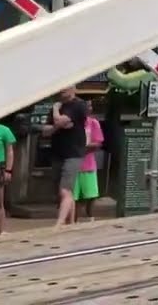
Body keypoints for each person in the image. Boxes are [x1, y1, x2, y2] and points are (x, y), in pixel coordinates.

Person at [43, 87, 87, 228]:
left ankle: (59, 224)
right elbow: (46, 131)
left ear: (74, 88)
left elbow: (60, 120)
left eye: (66, 87)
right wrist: (58, 125)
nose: (62, 90)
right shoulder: (59, 105)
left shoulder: (79, 105)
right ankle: (71, 223)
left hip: (74, 153)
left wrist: (56, 110)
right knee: (64, 192)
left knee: (65, 190)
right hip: (58, 152)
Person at [75, 116, 104, 221]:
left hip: (88, 163)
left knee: (91, 194)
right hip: (73, 163)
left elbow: (98, 142)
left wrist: (84, 147)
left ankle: (90, 215)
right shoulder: (72, 122)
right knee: (74, 196)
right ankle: (74, 218)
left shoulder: (93, 122)